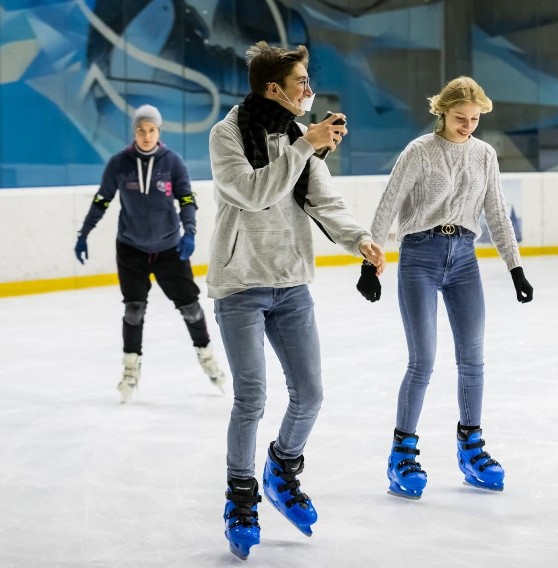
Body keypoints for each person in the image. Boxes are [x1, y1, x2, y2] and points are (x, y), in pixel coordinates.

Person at [207, 41, 385, 560]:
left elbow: (324, 202)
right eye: (301, 82)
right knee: (252, 398)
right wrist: (305, 144)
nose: (309, 90)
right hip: (240, 285)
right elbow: (253, 193)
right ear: (273, 88)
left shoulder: (294, 135)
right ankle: (241, 497)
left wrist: (360, 240)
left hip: (290, 284)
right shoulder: (227, 134)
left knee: (310, 394)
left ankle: (281, 469)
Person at [356, 76, 534, 500]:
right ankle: (402, 454)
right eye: (460, 118)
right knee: (423, 361)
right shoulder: (419, 151)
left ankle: (471, 448)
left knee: (473, 359)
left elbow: (495, 211)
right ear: (442, 112)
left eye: (474, 119)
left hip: (465, 260)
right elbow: (389, 203)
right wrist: (369, 262)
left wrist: (515, 268)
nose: (468, 126)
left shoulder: (485, 155)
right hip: (420, 255)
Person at [74, 104, 227, 404]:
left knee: (191, 308)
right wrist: (84, 233)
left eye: (152, 130)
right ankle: (131, 370)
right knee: (134, 310)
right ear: (135, 132)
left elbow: (186, 199)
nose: (146, 136)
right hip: (131, 249)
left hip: (169, 247)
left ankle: (207, 357)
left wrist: (190, 232)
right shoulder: (120, 163)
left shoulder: (172, 162)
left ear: (159, 131)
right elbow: (102, 200)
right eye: (141, 130)